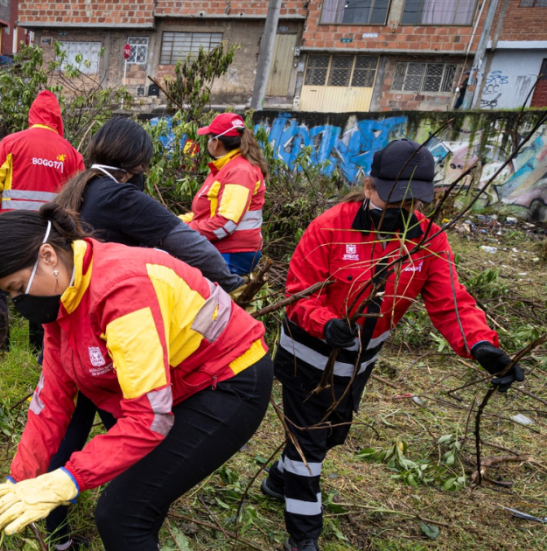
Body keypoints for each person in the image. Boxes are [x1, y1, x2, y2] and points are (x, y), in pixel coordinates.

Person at [261, 139, 525, 551]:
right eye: (393, 199)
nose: (402, 210)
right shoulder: (330, 227)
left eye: (411, 202)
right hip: (308, 357)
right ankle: (303, 538)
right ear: (369, 187)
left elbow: (450, 300)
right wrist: (326, 322)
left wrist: (481, 347)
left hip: (359, 363)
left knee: (329, 435)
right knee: (308, 443)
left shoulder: (428, 239)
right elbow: (298, 293)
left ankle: (280, 480)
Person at [0, 203, 273, 551]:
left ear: (48, 256)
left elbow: (148, 417)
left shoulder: (121, 290)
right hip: (181, 381)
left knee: (121, 513)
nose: (18, 301)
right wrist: (19, 478)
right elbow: (51, 402)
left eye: (18, 287)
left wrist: (67, 479)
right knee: (134, 503)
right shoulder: (63, 298)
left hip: (229, 379)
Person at [43, 116, 247, 549]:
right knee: (133, 426)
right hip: (111, 333)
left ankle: (59, 528)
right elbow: (194, 247)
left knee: (69, 423)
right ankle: (129, 504)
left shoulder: (77, 189)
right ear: (139, 162)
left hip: (74, 327)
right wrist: (225, 284)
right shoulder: (120, 196)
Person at [0, 90, 85, 356]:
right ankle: (40, 350)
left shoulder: (11, 143)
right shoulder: (71, 154)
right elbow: (78, 201)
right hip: (48, 239)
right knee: (41, 286)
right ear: (57, 119)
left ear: (32, 116)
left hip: (9, 234)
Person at [179, 113, 268, 276]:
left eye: (209, 137)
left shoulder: (239, 172)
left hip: (231, 254)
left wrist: (182, 231)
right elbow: (206, 214)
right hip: (222, 249)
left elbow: (225, 223)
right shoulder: (226, 168)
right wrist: (174, 223)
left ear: (217, 142)